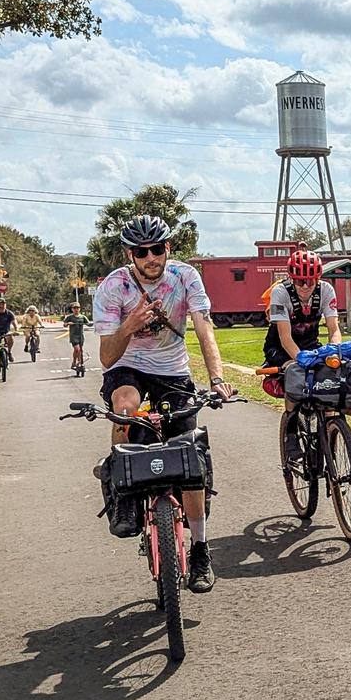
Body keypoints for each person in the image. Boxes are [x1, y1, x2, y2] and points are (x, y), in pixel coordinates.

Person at [93, 214, 235, 594]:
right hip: (128, 368)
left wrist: (217, 378)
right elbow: (107, 357)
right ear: (130, 254)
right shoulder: (114, 287)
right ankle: (121, 490)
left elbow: (204, 328)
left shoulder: (185, 277)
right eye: (142, 252)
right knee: (125, 406)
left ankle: (201, 549)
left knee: (189, 456)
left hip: (173, 372)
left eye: (157, 249)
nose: (151, 257)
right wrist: (129, 324)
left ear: (167, 248)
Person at [262, 248, 341, 459]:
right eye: (299, 282)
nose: (305, 287)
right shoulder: (281, 292)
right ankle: (290, 432)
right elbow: (285, 337)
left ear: (318, 278)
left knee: (329, 386)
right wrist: (298, 359)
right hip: (280, 346)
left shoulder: (326, 290)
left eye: (310, 281)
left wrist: (335, 350)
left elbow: (334, 329)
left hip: (310, 343)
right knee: (294, 379)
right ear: (292, 279)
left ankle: (330, 436)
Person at [62, 301, 90, 372]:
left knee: (80, 350)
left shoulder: (82, 317)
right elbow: (64, 324)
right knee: (77, 349)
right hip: (73, 336)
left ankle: (80, 363)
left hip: (80, 336)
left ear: (79, 309)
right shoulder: (70, 317)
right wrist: (68, 323)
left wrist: (94, 323)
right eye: (74, 308)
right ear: (72, 309)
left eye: (77, 308)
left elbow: (88, 323)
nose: (76, 309)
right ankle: (74, 362)